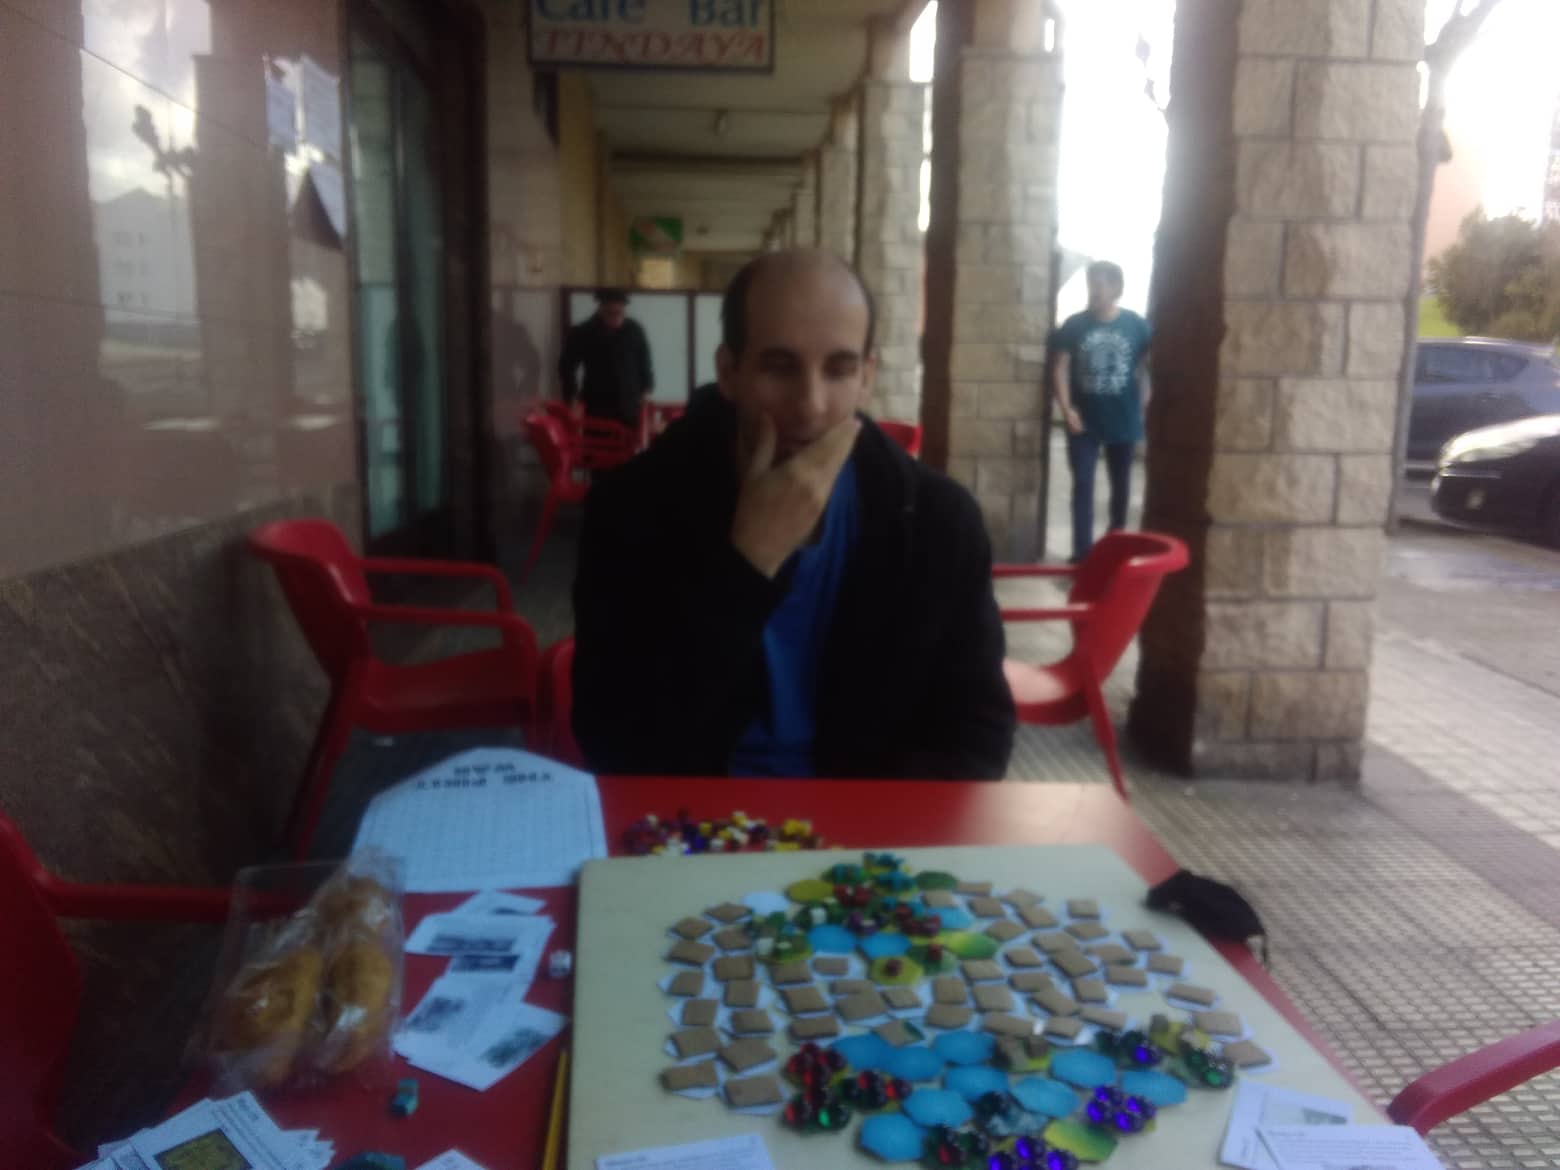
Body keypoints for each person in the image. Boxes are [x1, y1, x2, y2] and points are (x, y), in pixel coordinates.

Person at [571, 249, 1015, 780]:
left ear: (867, 377)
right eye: (779, 368)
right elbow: (614, 743)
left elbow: (978, 737)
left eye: (839, 370)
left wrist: (857, 819)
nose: (810, 406)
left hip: (866, 819)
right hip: (696, 811)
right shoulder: (631, 510)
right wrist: (746, 566)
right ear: (729, 372)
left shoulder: (940, 523)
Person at [1049, 261, 1152, 563]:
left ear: (1116, 289)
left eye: (1100, 284)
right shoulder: (1075, 325)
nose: (1094, 291)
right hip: (1084, 421)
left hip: (1124, 418)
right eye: (1091, 284)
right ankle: (1082, 553)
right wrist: (1067, 409)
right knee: (1083, 485)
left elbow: (1148, 368)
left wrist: (1145, 401)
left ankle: (1116, 545)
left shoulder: (1136, 326)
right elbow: (1060, 368)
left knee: (1121, 487)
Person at [557, 288, 654, 428]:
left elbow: (644, 362)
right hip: (598, 404)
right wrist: (572, 398)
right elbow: (566, 367)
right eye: (611, 313)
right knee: (599, 439)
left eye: (620, 312)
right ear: (601, 308)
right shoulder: (583, 332)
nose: (616, 317)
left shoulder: (634, 330)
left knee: (631, 439)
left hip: (630, 404)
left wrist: (646, 389)